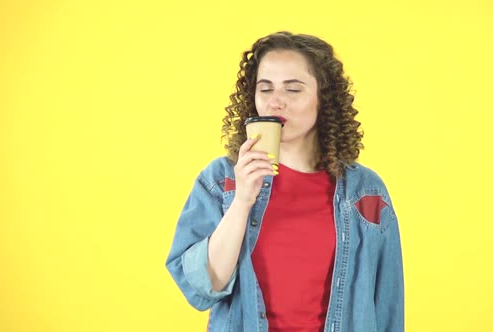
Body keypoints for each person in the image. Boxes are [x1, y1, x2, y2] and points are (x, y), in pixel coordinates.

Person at [166, 31, 404, 332]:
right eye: (265, 89)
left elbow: (387, 304)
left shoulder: (365, 191)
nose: (275, 102)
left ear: (324, 99)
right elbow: (202, 288)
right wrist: (241, 202)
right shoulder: (221, 179)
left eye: (293, 90)